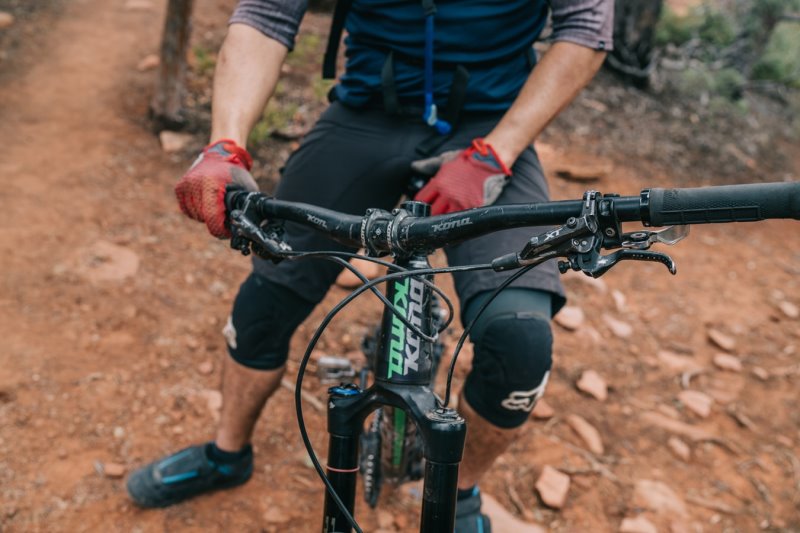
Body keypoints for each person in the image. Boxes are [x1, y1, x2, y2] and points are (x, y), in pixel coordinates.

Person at [128, 1, 613, 530]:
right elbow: (267, 15)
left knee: (521, 342)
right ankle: (226, 454)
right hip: (364, 116)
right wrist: (225, 144)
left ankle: (461, 493)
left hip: (492, 125)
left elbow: (587, 27)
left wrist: (496, 153)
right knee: (266, 299)